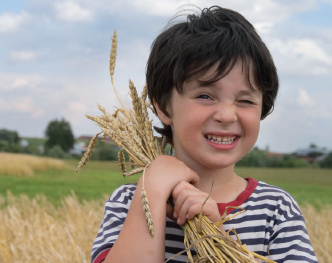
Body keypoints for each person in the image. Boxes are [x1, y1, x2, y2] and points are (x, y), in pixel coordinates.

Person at [91, 6, 318, 263]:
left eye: (245, 100)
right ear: (164, 107)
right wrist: (152, 191)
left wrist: (219, 241)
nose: (227, 115)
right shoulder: (128, 202)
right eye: (205, 96)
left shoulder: (276, 209)